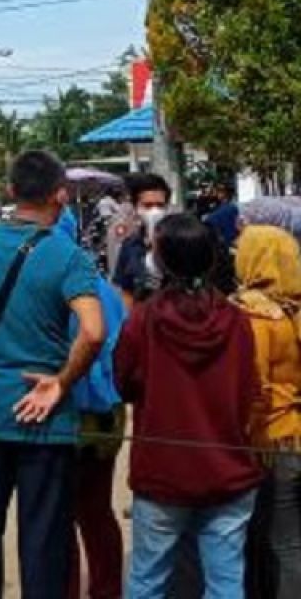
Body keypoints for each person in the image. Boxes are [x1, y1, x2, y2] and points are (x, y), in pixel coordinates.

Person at [0, 150, 104, 599]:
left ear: (10, 192)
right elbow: (93, 331)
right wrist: (61, 382)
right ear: (61, 195)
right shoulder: (68, 255)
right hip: (44, 421)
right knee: (43, 540)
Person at [114, 213, 261, 599]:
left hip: (163, 471)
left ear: (161, 260)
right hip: (228, 468)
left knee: (148, 579)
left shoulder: (143, 319)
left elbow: (123, 382)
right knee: (226, 581)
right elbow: (250, 389)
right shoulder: (236, 320)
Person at [57, 209, 127, 599]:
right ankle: (106, 590)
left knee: (60, 516)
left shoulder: (51, 281)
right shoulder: (104, 287)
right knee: (98, 511)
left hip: (65, 413)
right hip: (107, 415)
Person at [234, 225, 301, 598]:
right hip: (296, 431)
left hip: (272, 438)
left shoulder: (256, 316)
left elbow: (252, 386)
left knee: (281, 541)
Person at [113, 172, 172, 307]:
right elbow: (126, 292)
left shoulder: (182, 241)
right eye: (148, 205)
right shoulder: (129, 245)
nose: (155, 211)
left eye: (160, 205)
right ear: (136, 208)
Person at [205, 183, 240, 249]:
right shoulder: (230, 207)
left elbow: (210, 220)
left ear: (225, 194)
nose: (216, 193)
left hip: (226, 243)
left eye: (219, 191)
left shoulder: (229, 208)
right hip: (229, 242)